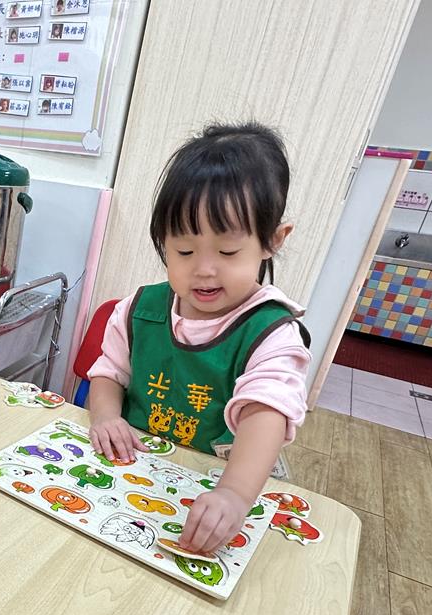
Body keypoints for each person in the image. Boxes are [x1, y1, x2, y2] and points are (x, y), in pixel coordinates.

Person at [87, 123, 310, 554]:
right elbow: (109, 374)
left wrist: (235, 495)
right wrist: (106, 417)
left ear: (273, 240)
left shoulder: (273, 333)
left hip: (221, 488)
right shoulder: (139, 309)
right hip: (134, 477)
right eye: (184, 251)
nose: (204, 270)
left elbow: (266, 413)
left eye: (228, 252)